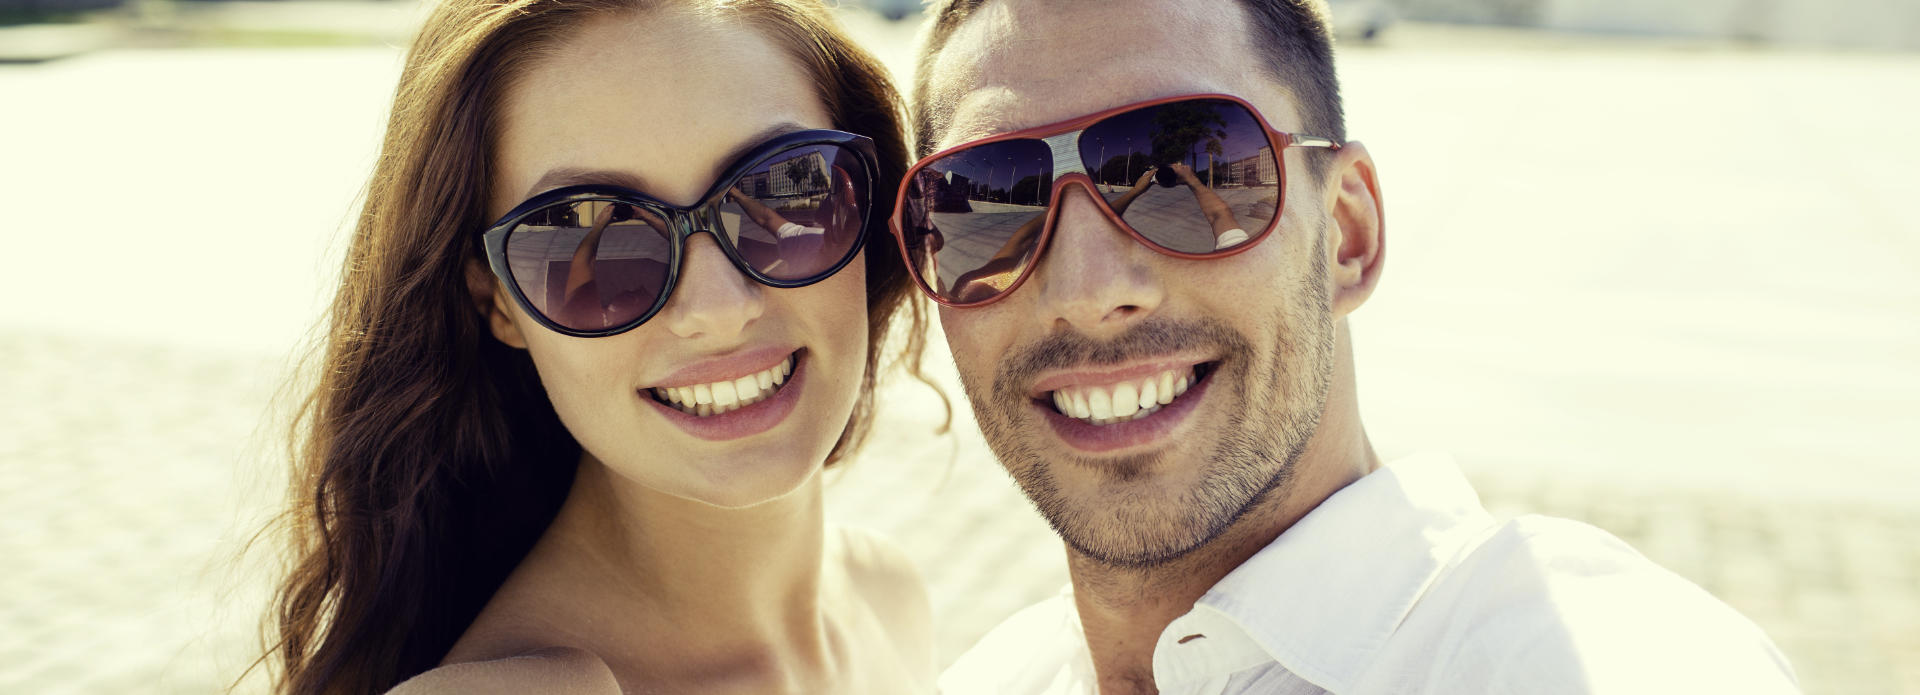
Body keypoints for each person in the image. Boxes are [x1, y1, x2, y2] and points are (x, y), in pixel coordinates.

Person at [897, 0, 1800, 693]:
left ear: (1348, 235)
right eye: (985, 203)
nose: (1090, 291)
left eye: (1191, 171)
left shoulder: (1589, 656)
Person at [261, 0, 938, 692]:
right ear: (498, 303)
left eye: (785, 191)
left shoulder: (889, 597)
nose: (718, 309)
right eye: (594, 239)